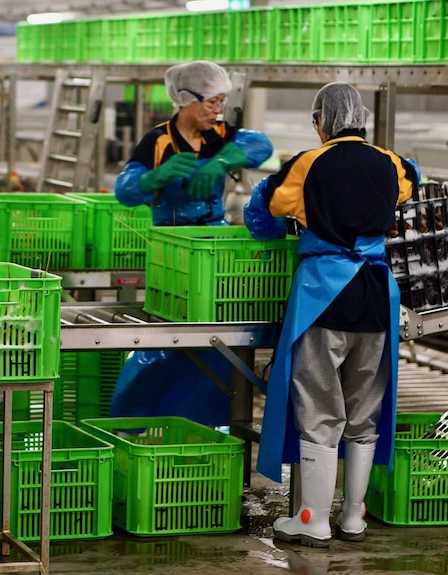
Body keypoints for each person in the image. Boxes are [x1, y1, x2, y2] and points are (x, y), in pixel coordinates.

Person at [244, 81, 419, 548]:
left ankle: (312, 518)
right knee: (365, 406)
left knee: (319, 402)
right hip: (377, 293)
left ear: (321, 120)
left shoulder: (307, 162)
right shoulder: (393, 162)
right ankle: (353, 518)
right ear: (360, 116)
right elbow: (411, 184)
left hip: (325, 292)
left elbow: (262, 214)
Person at [109, 60, 272, 427]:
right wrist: (155, 178)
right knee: (167, 339)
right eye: (211, 102)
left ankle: (211, 425)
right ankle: (136, 424)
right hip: (172, 252)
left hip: (212, 249)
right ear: (185, 99)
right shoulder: (159, 140)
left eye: (221, 102)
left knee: (216, 338)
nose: (217, 110)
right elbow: (125, 190)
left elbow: (261, 144)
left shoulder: (219, 135)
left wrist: (224, 160)